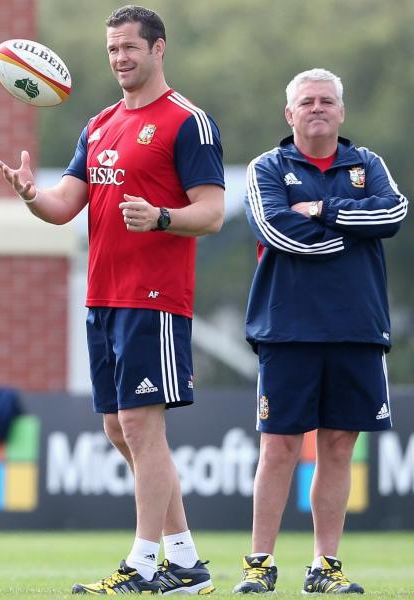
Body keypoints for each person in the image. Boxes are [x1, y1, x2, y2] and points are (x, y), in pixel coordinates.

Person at [0, 5, 224, 595]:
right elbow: (63, 206)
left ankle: (145, 565)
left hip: (155, 298)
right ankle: (185, 561)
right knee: (119, 431)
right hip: (104, 297)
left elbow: (213, 212)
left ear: (158, 49)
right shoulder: (98, 124)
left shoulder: (188, 122)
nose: (120, 59)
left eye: (130, 48)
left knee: (139, 428)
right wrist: (28, 195)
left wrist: (162, 217)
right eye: (112, 50)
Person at [234, 68, 407, 595]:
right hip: (288, 329)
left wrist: (325, 209)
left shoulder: (368, 163)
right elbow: (275, 229)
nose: (317, 108)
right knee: (280, 446)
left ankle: (324, 567)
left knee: (337, 447)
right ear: (289, 114)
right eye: (306, 101)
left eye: (326, 100)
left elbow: (394, 213)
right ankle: (259, 564)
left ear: (341, 111)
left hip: (357, 327)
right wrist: (349, 233)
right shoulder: (268, 166)